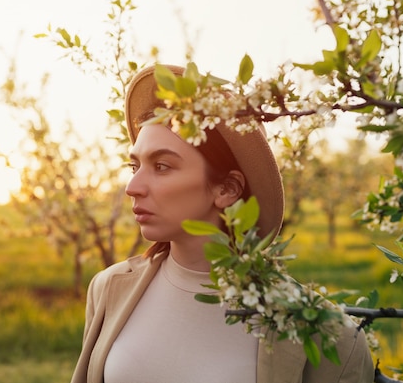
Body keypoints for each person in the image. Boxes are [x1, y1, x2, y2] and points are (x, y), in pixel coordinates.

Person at [70, 64, 374, 383]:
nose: (133, 187)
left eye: (161, 166)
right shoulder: (108, 288)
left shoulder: (325, 333)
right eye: (135, 166)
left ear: (226, 189)